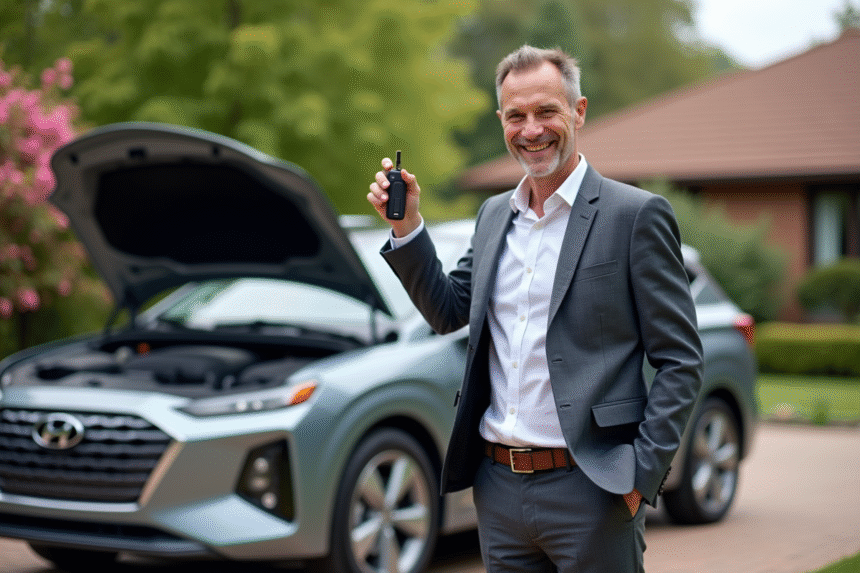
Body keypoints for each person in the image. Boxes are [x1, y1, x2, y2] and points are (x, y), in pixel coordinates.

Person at [367, 45, 703, 573]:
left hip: (594, 487)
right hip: (498, 489)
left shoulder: (634, 216)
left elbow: (681, 360)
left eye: (546, 111)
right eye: (516, 116)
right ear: (501, 120)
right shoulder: (494, 214)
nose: (531, 130)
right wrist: (407, 226)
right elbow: (449, 311)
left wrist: (639, 477)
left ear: (579, 111)